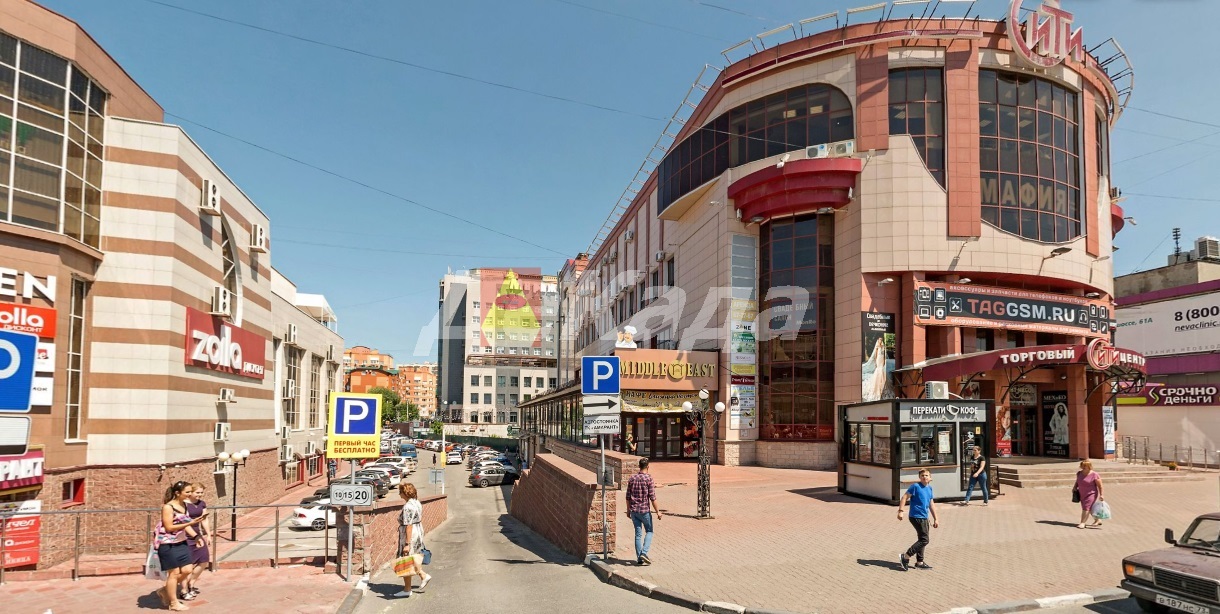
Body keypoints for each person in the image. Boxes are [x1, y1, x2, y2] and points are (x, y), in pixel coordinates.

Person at [154, 481, 208, 611]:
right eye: (187, 492)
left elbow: (186, 524)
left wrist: (196, 537)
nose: (190, 494)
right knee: (174, 573)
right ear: (178, 493)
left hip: (181, 542)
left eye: (190, 491)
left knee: (187, 570)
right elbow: (169, 527)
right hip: (168, 544)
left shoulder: (184, 505)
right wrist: (191, 522)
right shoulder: (168, 507)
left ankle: (165, 590)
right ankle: (173, 603)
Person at [395, 483, 432, 597]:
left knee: (406, 560)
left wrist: (407, 543)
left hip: (410, 535)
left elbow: (409, 525)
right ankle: (422, 576)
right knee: (411, 559)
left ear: (405, 493)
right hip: (418, 532)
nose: (399, 494)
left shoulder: (408, 507)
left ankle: (408, 589)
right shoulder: (417, 503)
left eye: (400, 492)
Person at [897, 469, 938, 570]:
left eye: (926, 475)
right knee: (925, 539)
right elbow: (904, 497)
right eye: (922, 475)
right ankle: (905, 556)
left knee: (922, 539)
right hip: (916, 516)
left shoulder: (929, 488)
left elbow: (931, 504)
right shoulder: (915, 487)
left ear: (930, 478)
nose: (924, 477)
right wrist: (901, 511)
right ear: (919, 477)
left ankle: (920, 562)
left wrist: (936, 518)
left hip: (924, 517)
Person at [624, 458, 662, 565]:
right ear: (648, 467)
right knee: (649, 531)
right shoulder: (648, 479)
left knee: (638, 534)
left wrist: (628, 510)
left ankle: (639, 558)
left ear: (639, 466)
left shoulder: (632, 478)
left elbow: (627, 497)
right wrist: (658, 511)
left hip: (634, 511)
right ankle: (644, 553)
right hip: (644, 511)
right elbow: (652, 497)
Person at [181, 484, 210, 601]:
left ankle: (191, 583)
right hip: (185, 536)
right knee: (187, 564)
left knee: (204, 559)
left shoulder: (202, 503)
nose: (200, 495)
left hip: (198, 535)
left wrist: (208, 534)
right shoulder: (184, 504)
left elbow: (204, 519)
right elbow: (183, 521)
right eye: (197, 492)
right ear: (191, 492)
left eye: (201, 492)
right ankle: (184, 590)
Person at [1075, 460, 1105, 529]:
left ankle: (1082, 523)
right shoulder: (1079, 473)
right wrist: (1074, 487)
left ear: (1089, 466)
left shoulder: (1094, 474)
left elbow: (1100, 486)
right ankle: (1097, 519)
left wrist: (1101, 494)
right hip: (1082, 493)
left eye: (1085, 466)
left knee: (1086, 507)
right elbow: (1077, 481)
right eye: (1082, 466)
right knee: (1089, 508)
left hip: (1091, 494)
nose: (1084, 467)